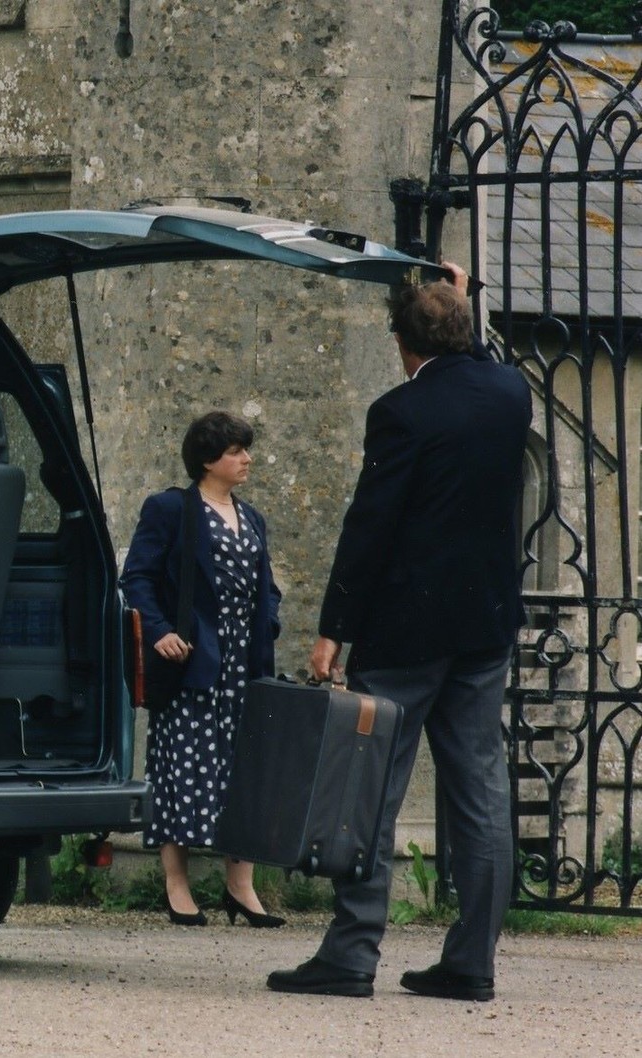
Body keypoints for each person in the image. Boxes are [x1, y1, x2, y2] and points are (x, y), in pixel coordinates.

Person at [267, 263, 531, 1000]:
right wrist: (458, 298)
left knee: (372, 790)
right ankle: (472, 961)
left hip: (408, 628)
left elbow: (369, 527)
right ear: (463, 335)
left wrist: (332, 629)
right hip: (484, 626)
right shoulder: (511, 394)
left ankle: (353, 953)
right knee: (479, 792)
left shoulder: (401, 412)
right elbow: (477, 360)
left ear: (404, 344)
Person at [121, 411, 285, 928]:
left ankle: (241, 888)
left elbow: (266, 587)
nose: (247, 459)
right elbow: (138, 579)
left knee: (246, 772)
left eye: (245, 450)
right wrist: (161, 630)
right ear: (209, 458)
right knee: (182, 767)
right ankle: (177, 885)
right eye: (237, 451)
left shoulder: (251, 517)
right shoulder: (171, 508)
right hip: (192, 662)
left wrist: (269, 625)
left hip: (245, 663)